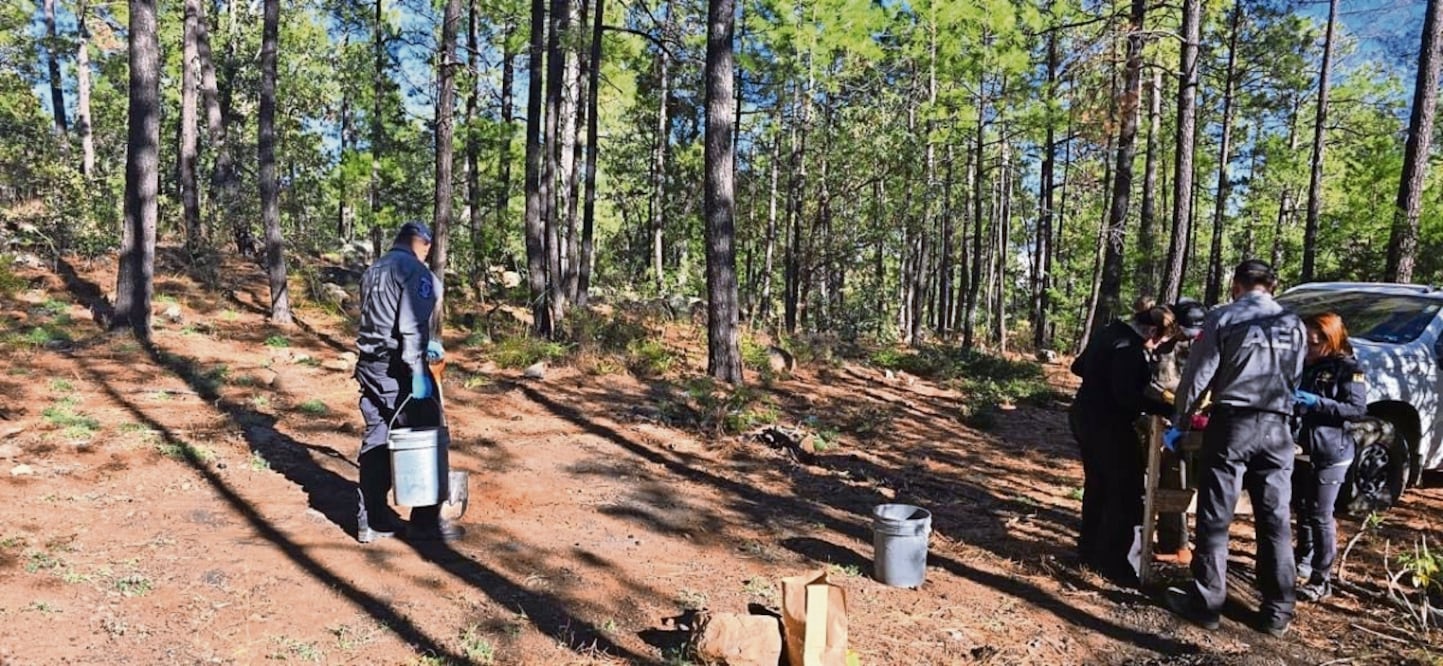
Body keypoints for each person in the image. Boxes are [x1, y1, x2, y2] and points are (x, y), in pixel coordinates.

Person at [1166, 260, 1306, 637]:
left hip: (1234, 424)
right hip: (1278, 428)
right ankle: (1278, 611)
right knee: (1275, 519)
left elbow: (1198, 376)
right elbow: (1294, 377)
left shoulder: (1223, 317)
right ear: (1272, 286)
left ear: (1236, 285)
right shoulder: (1294, 323)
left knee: (1216, 516)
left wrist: (1179, 423)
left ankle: (1207, 603)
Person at [353, 221, 463, 543]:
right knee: (428, 435)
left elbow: (378, 319)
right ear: (424, 244)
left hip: (370, 365)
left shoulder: (374, 269)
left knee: (377, 436)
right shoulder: (415, 271)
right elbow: (412, 324)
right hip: (399, 368)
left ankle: (371, 520)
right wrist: (418, 372)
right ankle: (425, 523)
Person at [1069, 304, 1177, 584]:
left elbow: (1078, 365)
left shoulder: (1108, 332)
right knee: (1126, 490)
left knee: (1098, 486)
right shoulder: (1129, 348)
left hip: (1084, 416)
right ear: (1153, 330)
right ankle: (1115, 562)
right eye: (1161, 341)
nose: (1158, 347)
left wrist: (1100, 376)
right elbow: (1126, 397)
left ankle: (1089, 551)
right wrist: (1167, 410)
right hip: (1108, 424)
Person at [1293, 313, 1367, 602]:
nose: (1309, 349)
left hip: (1332, 452)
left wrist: (1317, 403)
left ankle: (1321, 580)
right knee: (1303, 507)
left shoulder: (1348, 369)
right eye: (1306, 343)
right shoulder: (1305, 366)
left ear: (1330, 340)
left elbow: (1356, 409)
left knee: (1321, 514)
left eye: (1314, 343)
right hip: (1302, 449)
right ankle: (1303, 559)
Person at [1143, 299, 1208, 564]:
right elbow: (1153, 385)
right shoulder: (1166, 350)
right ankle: (1176, 544)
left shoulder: (1214, 345)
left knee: (1215, 490)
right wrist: (1172, 399)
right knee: (1174, 480)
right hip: (1176, 425)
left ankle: (1208, 547)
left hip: (1211, 426)